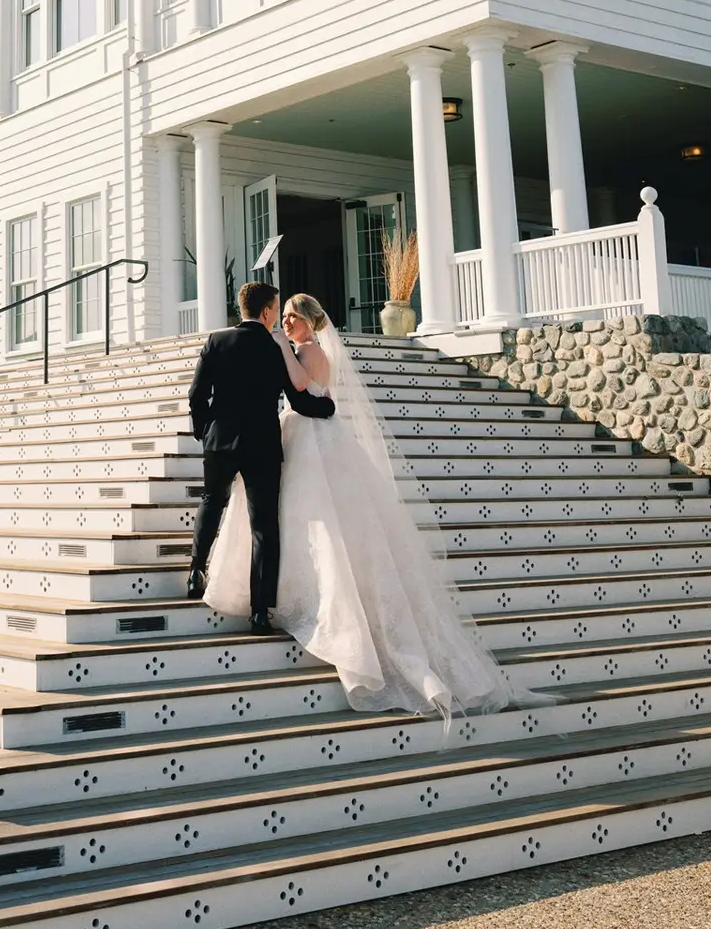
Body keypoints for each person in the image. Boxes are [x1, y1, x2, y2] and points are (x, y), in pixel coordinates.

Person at [202, 291, 516, 720]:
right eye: (285, 317)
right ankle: (266, 594)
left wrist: (280, 348)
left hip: (312, 437)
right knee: (284, 519)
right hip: (293, 435)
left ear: (310, 323)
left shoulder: (308, 351)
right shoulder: (293, 348)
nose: (288, 324)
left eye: (294, 319)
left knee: (307, 520)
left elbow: (297, 387)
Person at [186, 281, 337, 634]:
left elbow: (197, 395)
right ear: (268, 311)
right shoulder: (274, 349)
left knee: (211, 501)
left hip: (219, 441)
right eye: (277, 309)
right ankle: (259, 611)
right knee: (264, 527)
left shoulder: (216, 341)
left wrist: (204, 430)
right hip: (263, 445)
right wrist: (326, 407)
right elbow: (298, 401)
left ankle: (196, 570)